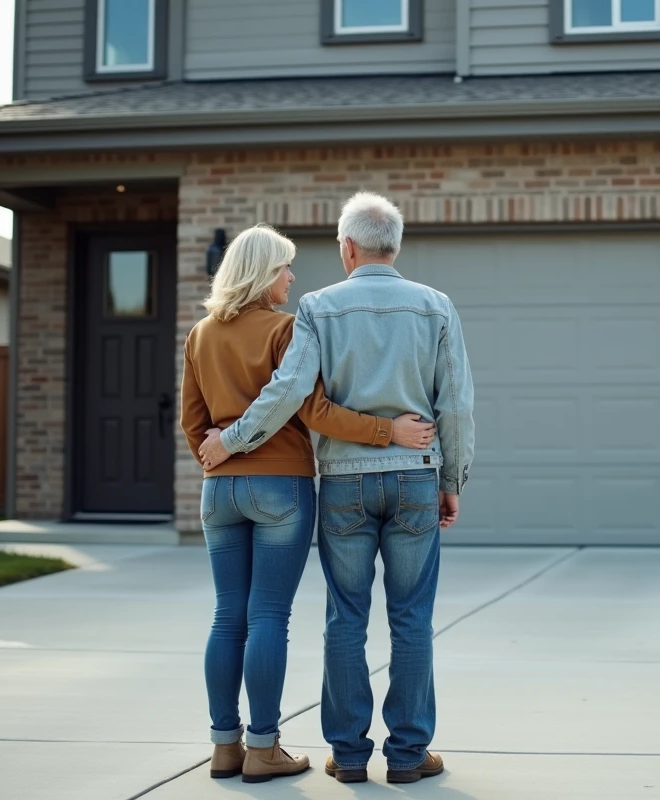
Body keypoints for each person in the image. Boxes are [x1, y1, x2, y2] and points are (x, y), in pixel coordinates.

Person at [198, 192, 475, 785]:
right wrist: (451, 479)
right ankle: (407, 755)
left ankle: (348, 754)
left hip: (344, 485)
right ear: (393, 246)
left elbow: (290, 390)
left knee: (344, 618)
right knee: (411, 619)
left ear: (347, 247)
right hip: (415, 476)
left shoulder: (318, 308)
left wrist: (231, 439)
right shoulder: (436, 306)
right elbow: (456, 403)